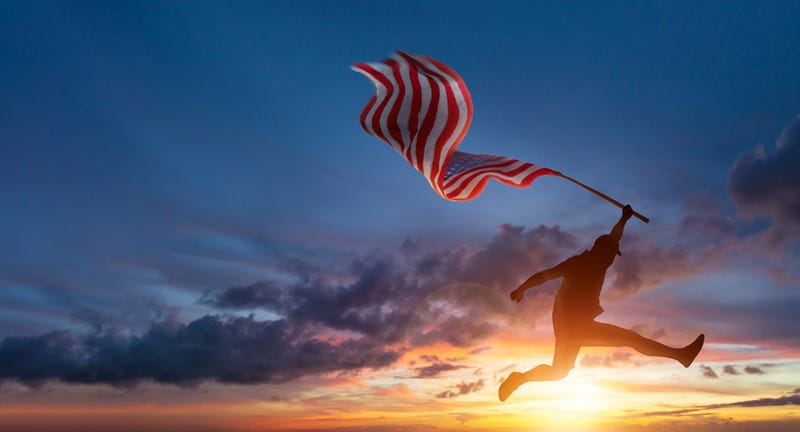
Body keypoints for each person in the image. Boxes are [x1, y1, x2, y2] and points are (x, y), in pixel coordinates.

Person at [498, 205, 704, 402]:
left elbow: (548, 273)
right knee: (630, 338)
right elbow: (547, 274)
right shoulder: (590, 262)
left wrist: (624, 218)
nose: (613, 258)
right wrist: (521, 288)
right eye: (613, 253)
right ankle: (680, 355)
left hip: (566, 329)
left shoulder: (585, 261)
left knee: (559, 372)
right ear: (604, 252)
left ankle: (520, 379)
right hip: (575, 326)